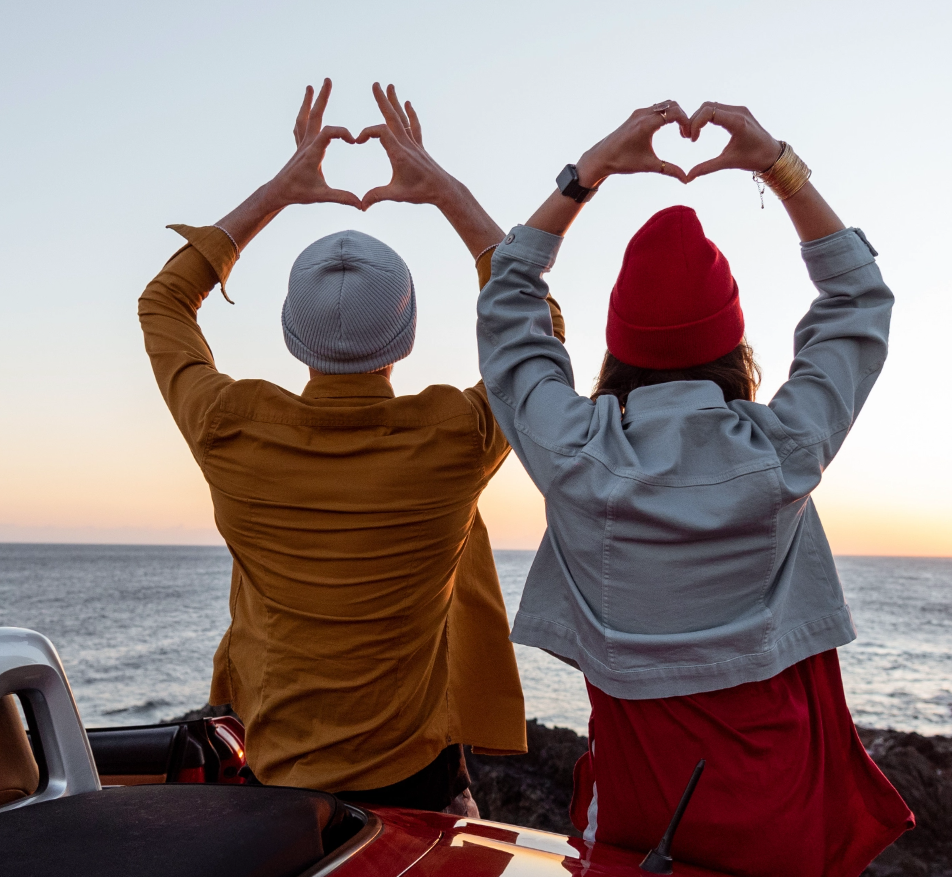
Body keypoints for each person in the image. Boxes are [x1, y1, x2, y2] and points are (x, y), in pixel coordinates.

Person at [475, 100, 913, 875]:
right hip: (777, 795)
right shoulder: (783, 451)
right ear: (733, 344)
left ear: (618, 349)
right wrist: (780, 168)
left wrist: (590, 173)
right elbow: (857, 301)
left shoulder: (574, 454)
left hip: (646, 814)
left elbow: (510, 298)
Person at [139, 78, 556, 813]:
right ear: (409, 336)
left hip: (276, 779)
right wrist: (444, 190)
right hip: (419, 779)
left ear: (291, 334)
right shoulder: (456, 437)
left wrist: (280, 189)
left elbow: (163, 302)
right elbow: (536, 324)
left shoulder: (228, 425)